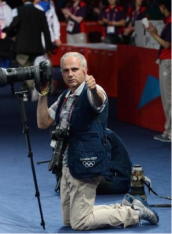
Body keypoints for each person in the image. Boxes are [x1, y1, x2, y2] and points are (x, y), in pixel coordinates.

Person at [37, 52, 159, 230]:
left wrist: (93, 89)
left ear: (85, 70)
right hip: (66, 163)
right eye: (65, 70)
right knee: (69, 220)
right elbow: (42, 122)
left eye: (75, 69)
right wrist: (43, 92)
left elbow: (98, 101)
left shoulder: (94, 91)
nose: (70, 74)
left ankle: (134, 213)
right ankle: (130, 206)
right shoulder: (64, 97)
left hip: (85, 163)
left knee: (80, 222)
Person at [5, 0, 53, 101]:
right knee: (29, 69)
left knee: (24, 69)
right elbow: (46, 31)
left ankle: (35, 86)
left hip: (22, 46)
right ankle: (24, 92)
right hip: (36, 47)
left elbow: (14, 25)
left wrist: (9, 33)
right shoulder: (40, 13)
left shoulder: (19, 10)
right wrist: (48, 47)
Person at [145, 0, 171, 142]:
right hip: (167, 62)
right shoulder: (168, 22)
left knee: (169, 98)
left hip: (168, 62)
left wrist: (153, 33)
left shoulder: (171, 23)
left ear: (163, 7)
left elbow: (167, 44)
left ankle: (170, 132)